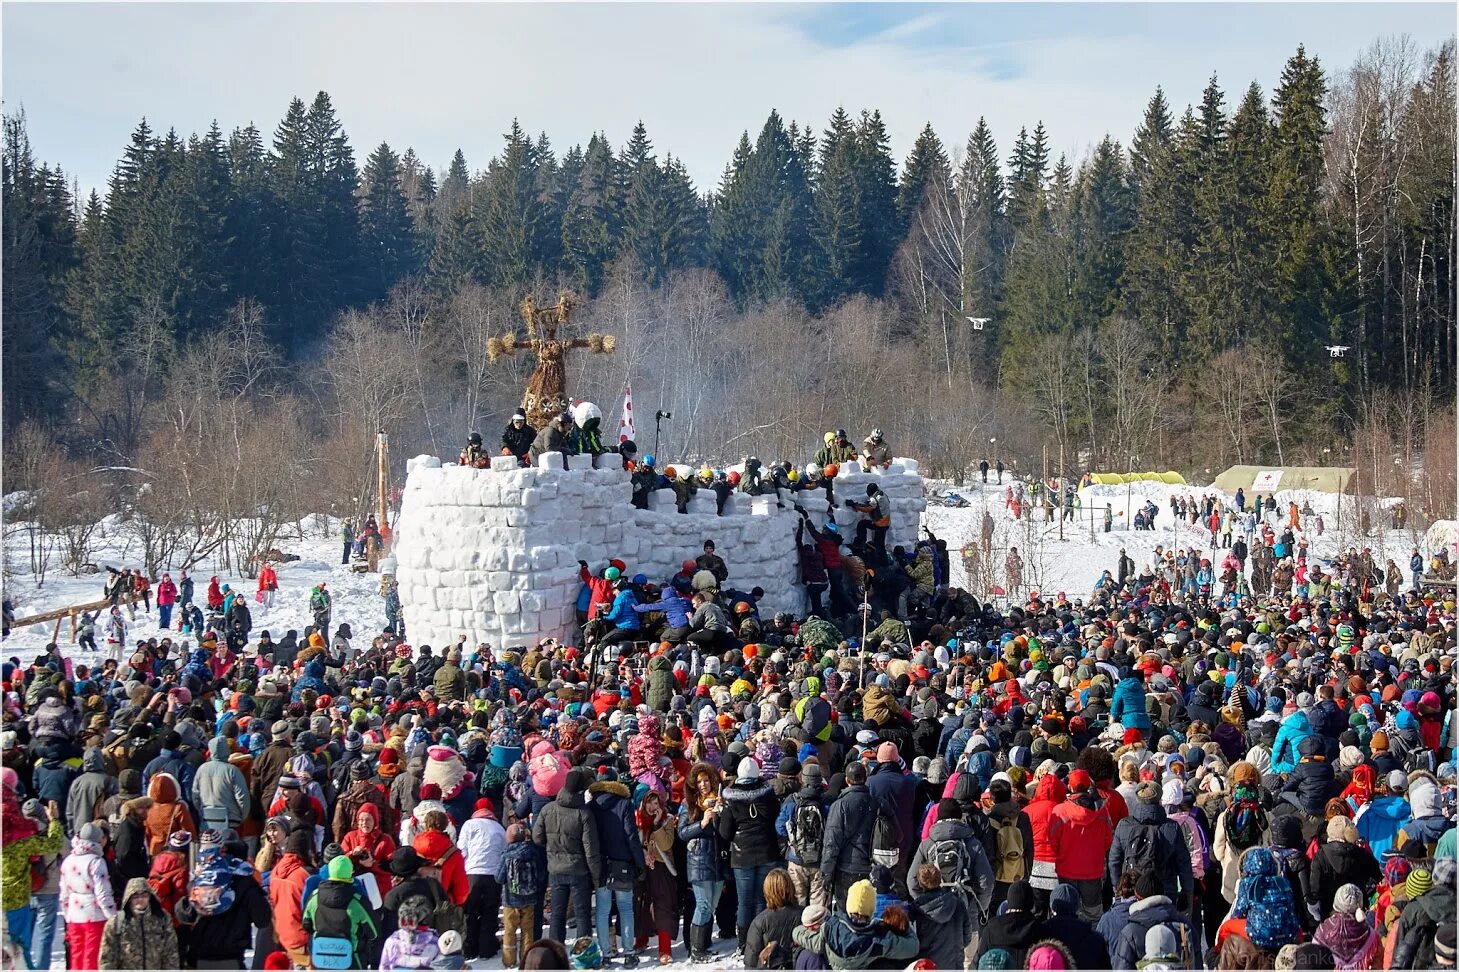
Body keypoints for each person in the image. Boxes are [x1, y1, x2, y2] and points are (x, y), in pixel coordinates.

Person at [98, 878, 180, 970]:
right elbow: (107, 958)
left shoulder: (162, 919)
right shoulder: (116, 922)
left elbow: (171, 952)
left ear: (150, 897)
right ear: (129, 899)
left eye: (144, 895)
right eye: (135, 896)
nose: (140, 899)